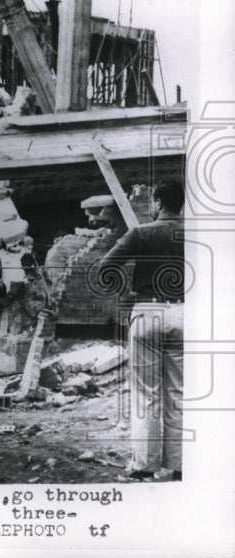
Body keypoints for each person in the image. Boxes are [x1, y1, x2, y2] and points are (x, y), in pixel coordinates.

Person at [98, 180, 185, 481]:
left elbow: (105, 268)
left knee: (147, 395)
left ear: (159, 204)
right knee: (178, 393)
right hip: (185, 314)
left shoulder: (141, 233)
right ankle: (179, 467)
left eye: (152, 202)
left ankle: (145, 468)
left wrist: (127, 292)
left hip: (148, 312)